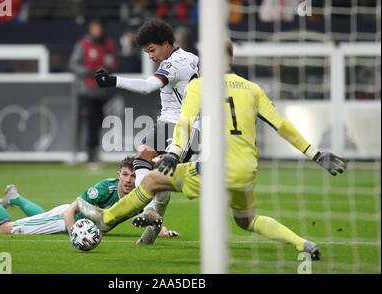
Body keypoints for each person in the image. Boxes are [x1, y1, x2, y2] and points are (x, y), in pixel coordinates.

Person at [77, 40, 348, 259]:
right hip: (246, 171)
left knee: (152, 179)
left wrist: (173, 152)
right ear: (232, 59)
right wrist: (316, 153)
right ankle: (302, 243)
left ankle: (106, 219)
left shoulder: (199, 85)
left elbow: (183, 122)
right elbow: (282, 125)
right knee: (247, 220)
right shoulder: (252, 89)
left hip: (215, 167)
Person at [94, 19, 199, 244]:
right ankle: (153, 225)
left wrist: (113, 80)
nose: (150, 56)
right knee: (161, 179)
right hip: (188, 127)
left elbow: (148, 86)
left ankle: (148, 211)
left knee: (144, 155)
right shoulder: (190, 57)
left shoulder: (172, 64)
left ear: (166, 44)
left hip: (180, 125)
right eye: (146, 52)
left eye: (152, 50)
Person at [0, 156, 178, 237]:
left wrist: (164, 230)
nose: (129, 180)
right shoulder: (104, 189)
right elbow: (70, 210)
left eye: (133, 175)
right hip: (67, 218)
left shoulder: (138, 195)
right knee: (5, 230)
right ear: (118, 175)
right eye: (125, 175)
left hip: (68, 221)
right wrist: (75, 231)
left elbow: (149, 213)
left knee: (46, 217)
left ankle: (14, 197)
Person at [69, 19, 117, 164]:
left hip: (102, 91)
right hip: (87, 90)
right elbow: (73, 64)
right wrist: (89, 71)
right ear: (90, 29)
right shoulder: (83, 44)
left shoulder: (108, 44)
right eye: (95, 28)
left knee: (99, 121)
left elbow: (113, 63)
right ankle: (89, 153)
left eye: (99, 28)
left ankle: (95, 151)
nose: (97, 31)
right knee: (89, 122)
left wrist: (108, 70)